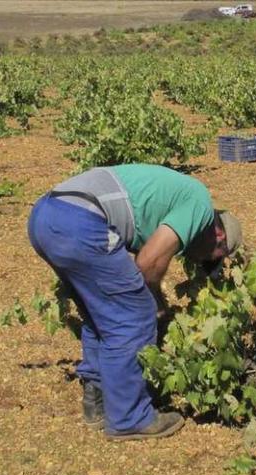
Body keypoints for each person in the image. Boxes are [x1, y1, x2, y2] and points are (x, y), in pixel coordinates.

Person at [27, 164, 241, 441]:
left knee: (102, 312)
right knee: (134, 313)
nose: (203, 262)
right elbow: (147, 263)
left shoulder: (171, 206)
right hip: (79, 219)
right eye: (213, 258)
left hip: (45, 215)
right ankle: (130, 417)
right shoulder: (199, 203)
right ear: (220, 236)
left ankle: (99, 399)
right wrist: (158, 304)